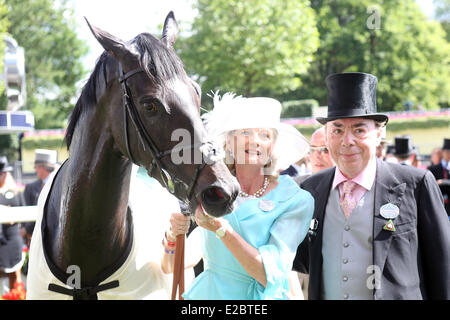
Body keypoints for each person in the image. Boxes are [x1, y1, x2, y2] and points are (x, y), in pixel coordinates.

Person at [293, 72, 450, 300]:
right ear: (326, 137)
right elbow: (300, 259)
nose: (347, 141)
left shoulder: (416, 185)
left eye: (359, 130)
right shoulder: (310, 189)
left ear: (378, 135)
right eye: (337, 130)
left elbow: (442, 266)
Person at [162, 92, 314, 300]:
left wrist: (221, 229)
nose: (255, 141)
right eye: (245, 133)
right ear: (229, 143)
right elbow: (171, 265)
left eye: (265, 135)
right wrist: (173, 236)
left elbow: (269, 276)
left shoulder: (295, 200)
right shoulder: (211, 191)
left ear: (273, 146)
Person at [0, 156, 26, 299]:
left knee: (15, 278)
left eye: (4, 173)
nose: (3, 176)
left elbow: (23, 210)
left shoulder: (15, 192)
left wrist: (13, 218)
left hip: (12, 240)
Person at [21, 149, 57, 247]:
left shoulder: (57, 186)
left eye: (36, 167)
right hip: (34, 235)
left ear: (42, 167)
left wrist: (26, 229)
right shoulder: (31, 187)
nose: (35, 170)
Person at [427, 138, 450, 217]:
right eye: (447, 152)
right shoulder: (433, 168)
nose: (448, 154)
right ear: (443, 152)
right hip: (438, 203)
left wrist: (443, 182)